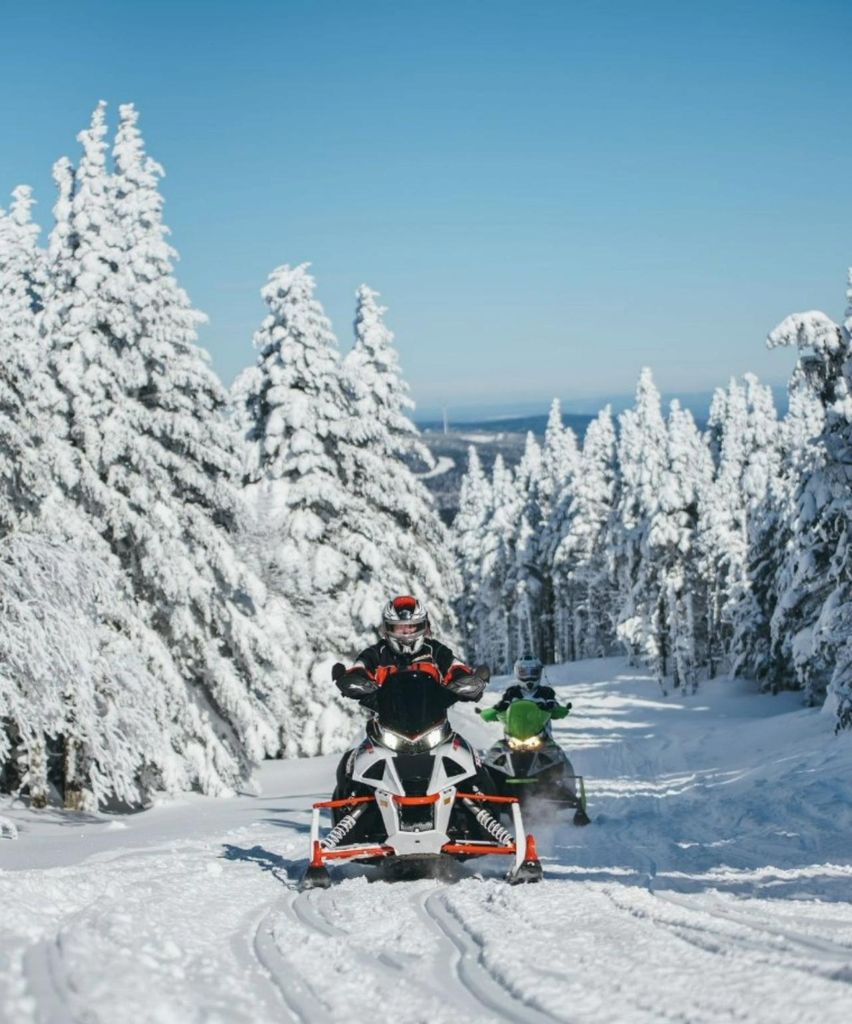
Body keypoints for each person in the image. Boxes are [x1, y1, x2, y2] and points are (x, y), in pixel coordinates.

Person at [334, 595, 485, 706]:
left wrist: (466, 680)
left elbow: (455, 666)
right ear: (389, 628)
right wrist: (352, 678)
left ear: (422, 626)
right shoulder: (378, 652)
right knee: (360, 750)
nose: (406, 632)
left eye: (411, 626)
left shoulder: (435, 650)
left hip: (434, 720)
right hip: (385, 723)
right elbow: (360, 667)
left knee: (463, 749)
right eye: (400, 627)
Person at [490, 655, 567, 714]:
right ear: (517, 673)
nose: (529, 676)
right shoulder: (512, 692)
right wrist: (499, 707)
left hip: (541, 731)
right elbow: (501, 705)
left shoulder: (546, 692)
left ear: (539, 672)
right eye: (524, 672)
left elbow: (556, 708)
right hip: (515, 730)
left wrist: (553, 706)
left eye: (533, 672)